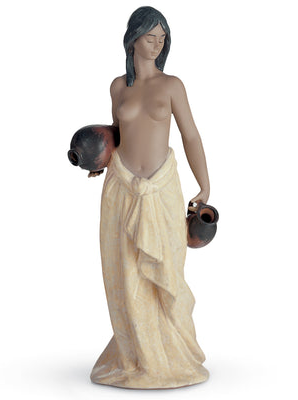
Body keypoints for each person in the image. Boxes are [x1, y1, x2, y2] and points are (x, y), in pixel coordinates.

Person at [89, 6, 210, 389]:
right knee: (126, 273)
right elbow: (117, 131)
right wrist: (98, 159)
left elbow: (190, 135)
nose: (157, 44)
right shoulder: (117, 87)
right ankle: (136, 356)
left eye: (162, 38)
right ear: (133, 39)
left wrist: (205, 185)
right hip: (121, 187)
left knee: (167, 271)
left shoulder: (171, 85)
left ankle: (171, 355)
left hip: (161, 190)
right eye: (149, 37)